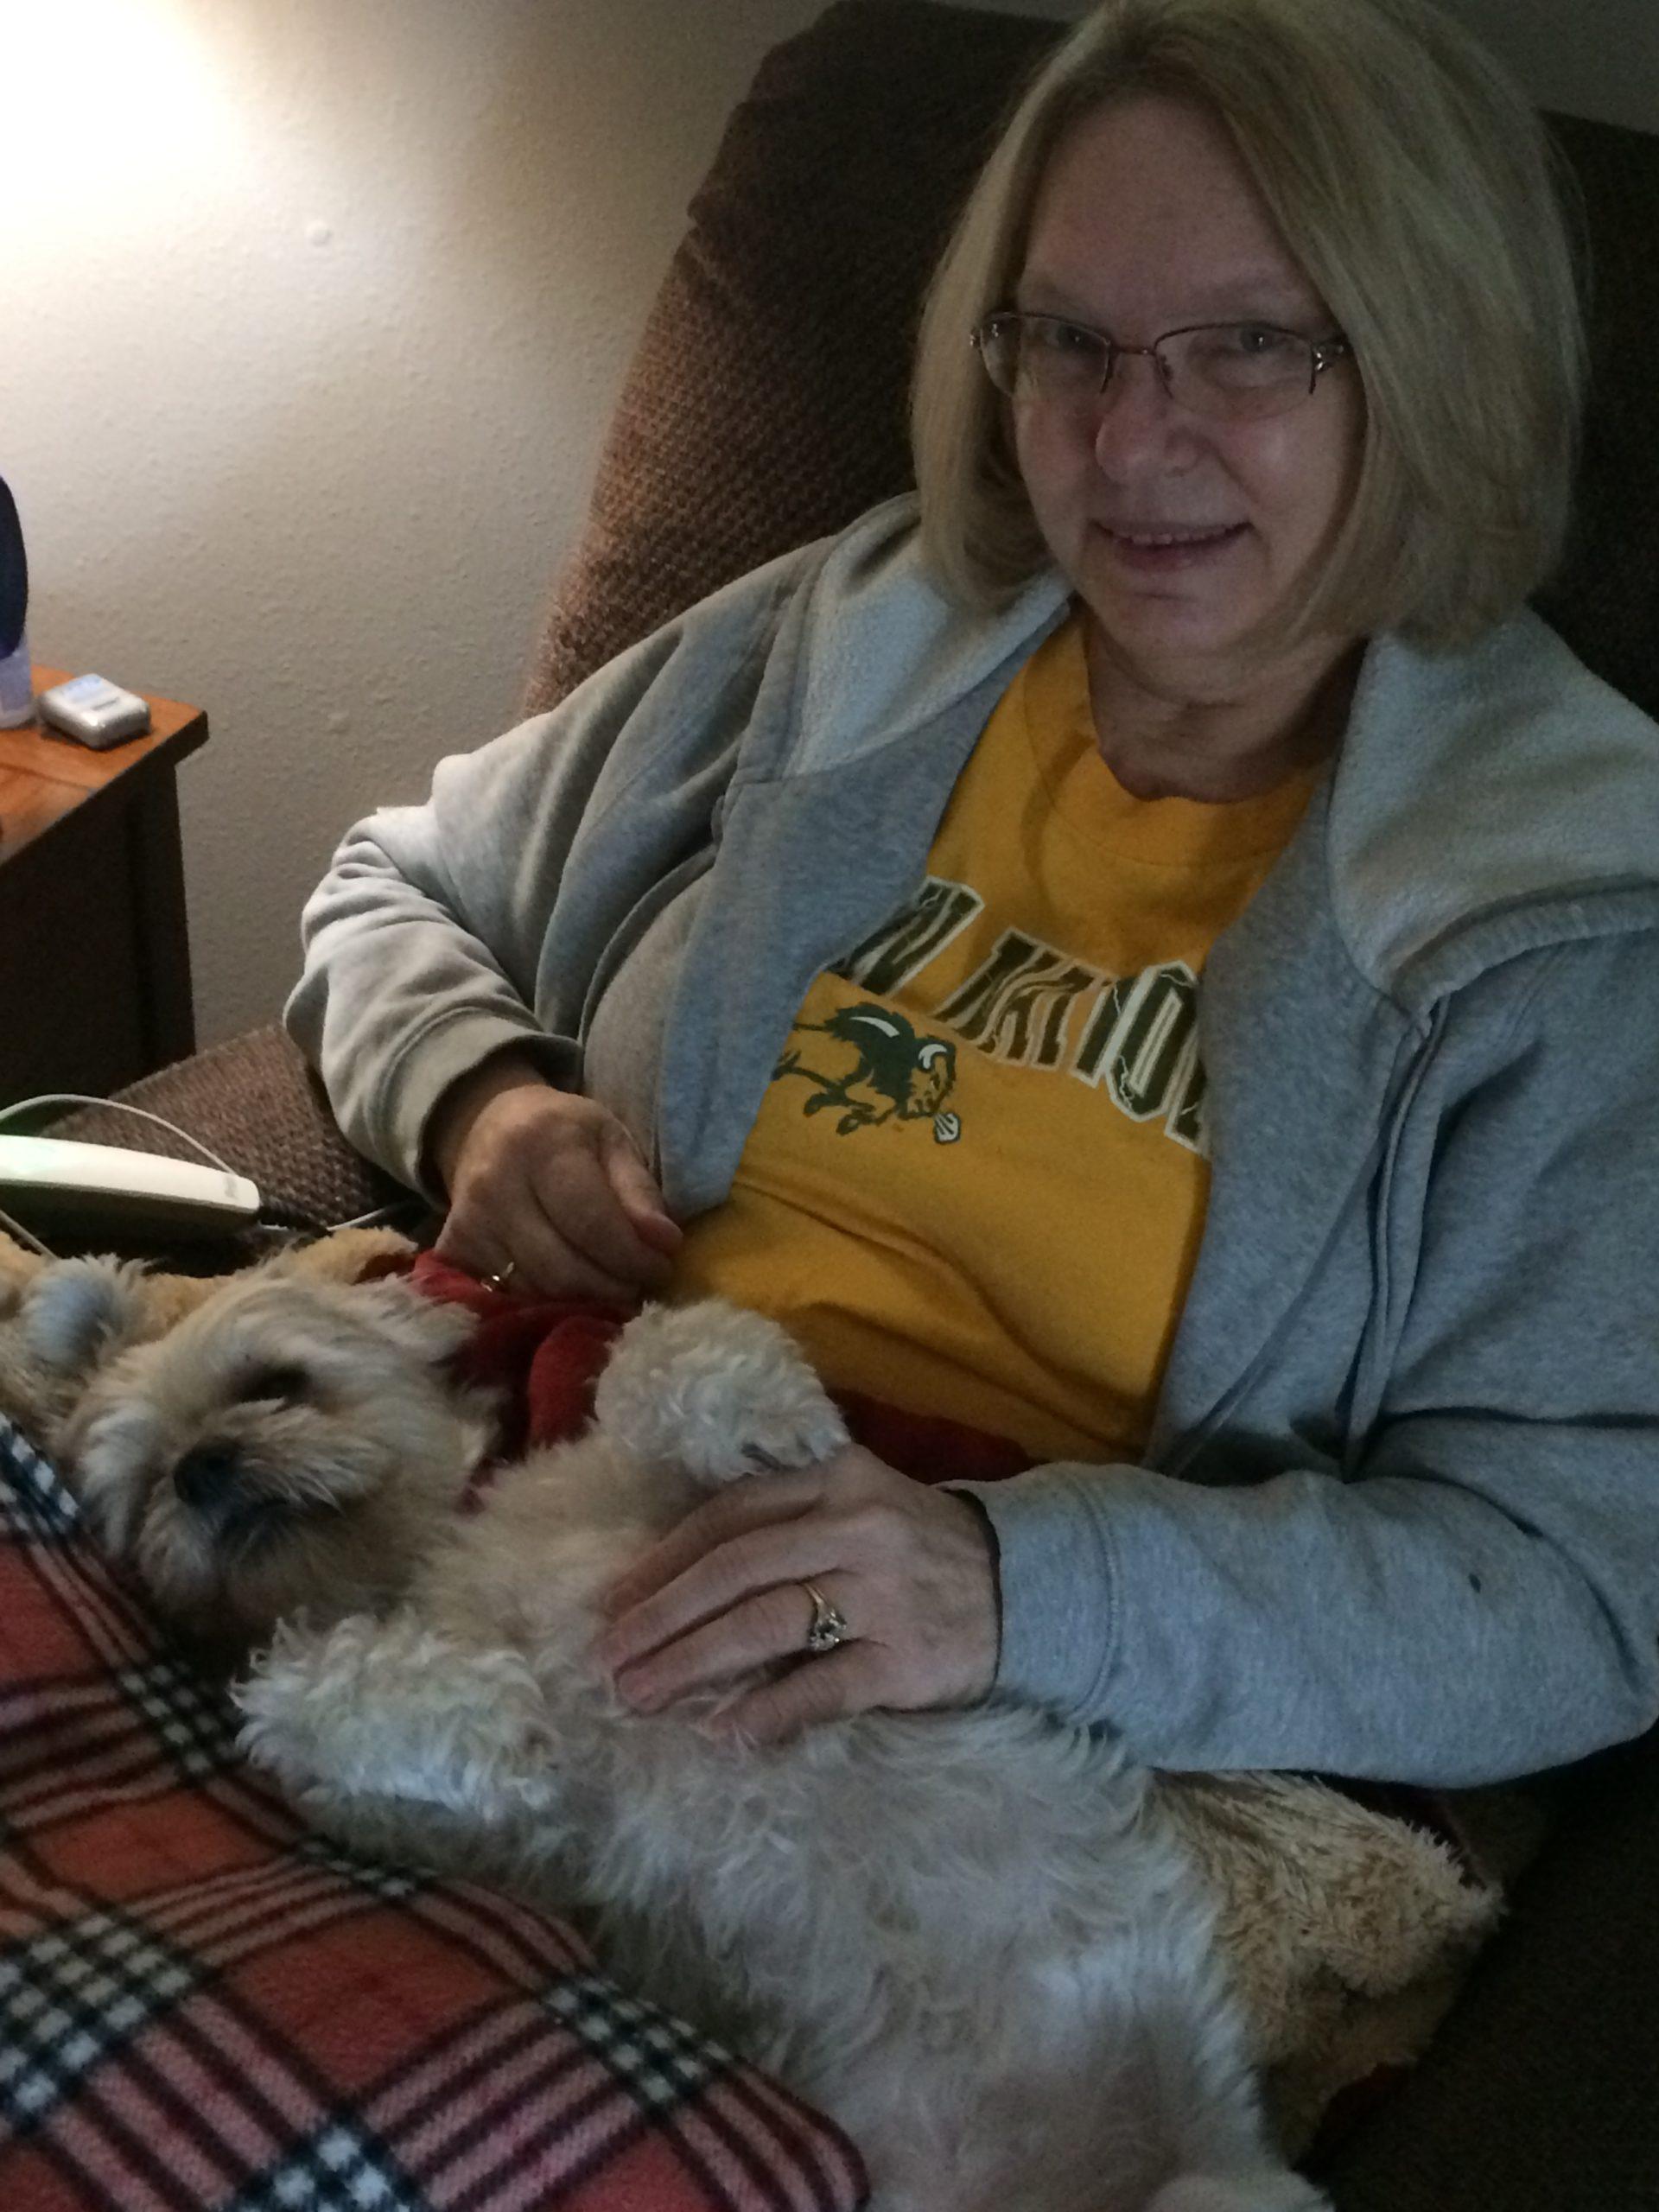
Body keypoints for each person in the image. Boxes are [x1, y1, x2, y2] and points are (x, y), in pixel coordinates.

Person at [287, 0, 1659, 1785]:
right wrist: (481, 1095)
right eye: (1068, 340)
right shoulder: (861, 637)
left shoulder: (1566, 912)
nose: (1126, 438)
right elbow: (396, 881)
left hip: (954, 1744)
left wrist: (1009, 1589)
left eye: (1246, 346)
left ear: (1431, 358)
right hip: (539, 1503)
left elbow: (1577, 1588)